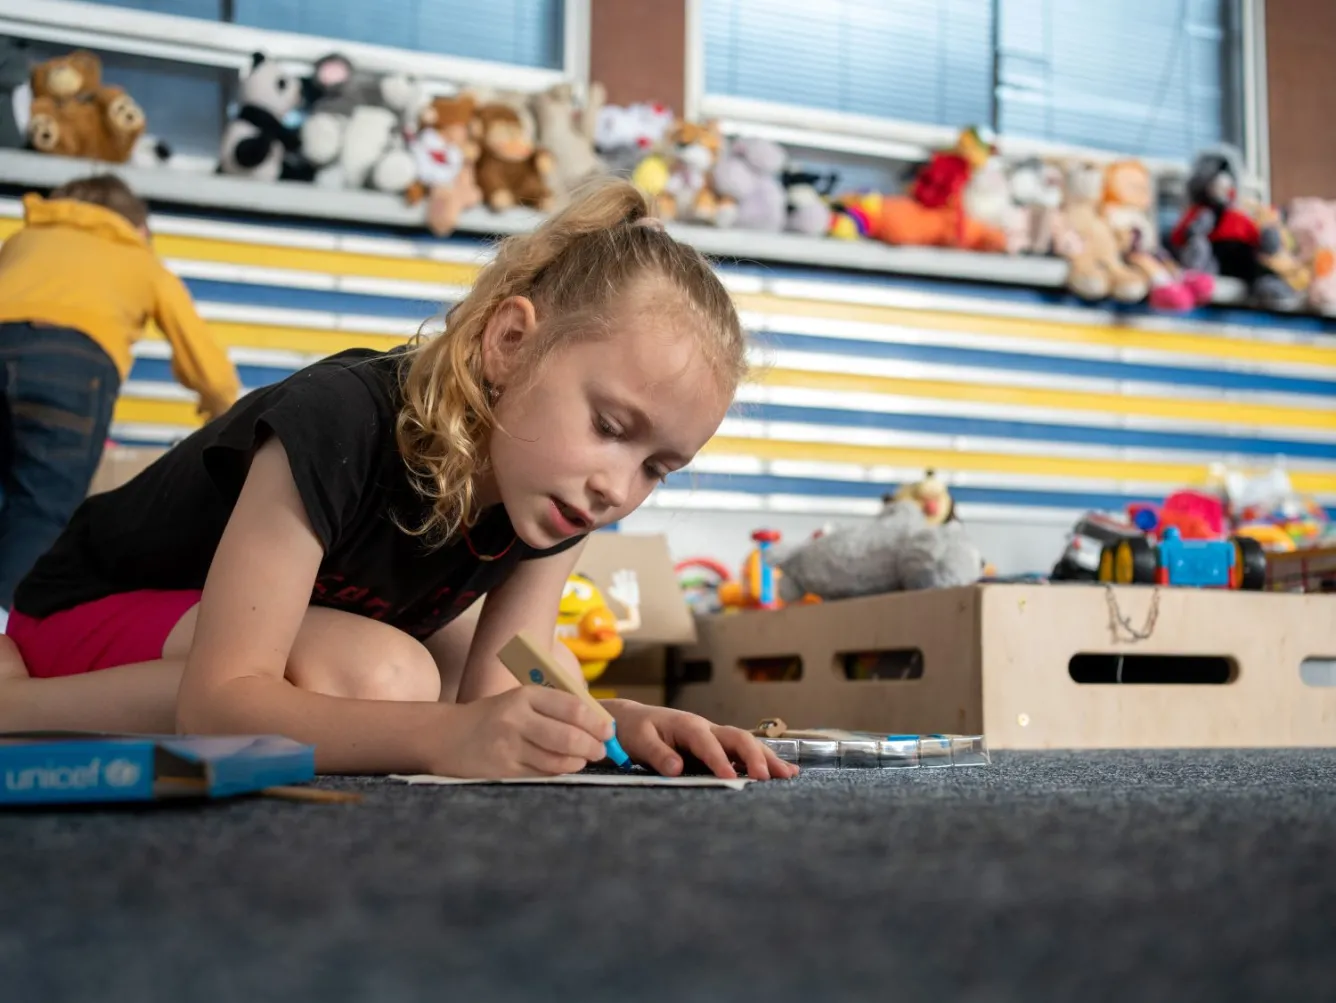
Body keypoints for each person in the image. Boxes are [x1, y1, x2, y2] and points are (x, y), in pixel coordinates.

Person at [0, 178, 798, 782]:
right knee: (391, 676)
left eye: (658, 467)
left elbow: (501, 675)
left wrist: (615, 725)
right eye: (611, 428)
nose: (617, 489)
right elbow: (222, 702)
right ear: (510, 343)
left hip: (253, 625)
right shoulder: (338, 420)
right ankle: (14, 705)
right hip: (80, 619)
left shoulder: (558, 493)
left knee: (440, 669)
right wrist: (446, 737)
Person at [0, 174, 241, 614]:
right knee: (39, 507)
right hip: (71, 366)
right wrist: (226, 415)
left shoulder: (23, 240)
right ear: (141, 230)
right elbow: (203, 359)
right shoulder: (139, 259)